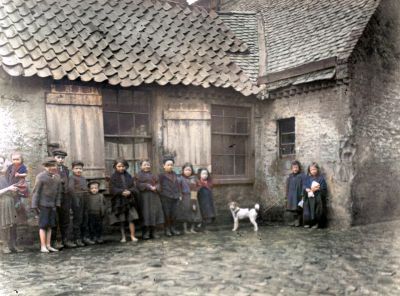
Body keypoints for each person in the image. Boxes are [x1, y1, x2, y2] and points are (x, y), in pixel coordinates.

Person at [31, 158, 61, 253]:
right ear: (45, 167)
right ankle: (43, 246)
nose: (52, 168)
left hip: (52, 205)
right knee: (43, 225)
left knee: (50, 226)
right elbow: (36, 192)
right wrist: (35, 206)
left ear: (56, 166)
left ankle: (48, 245)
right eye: (49, 166)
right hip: (43, 205)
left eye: (53, 165)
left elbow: (58, 192)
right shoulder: (40, 177)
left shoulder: (57, 177)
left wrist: (57, 204)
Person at [110, 158, 139, 243]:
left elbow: (134, 187)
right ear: (115, 167)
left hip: (129, 201)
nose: (121, 168)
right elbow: (112, 189)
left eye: (123, 166)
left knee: (131, 219)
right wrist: (121, 192)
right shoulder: (113, 177)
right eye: (119, 166)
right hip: (119, 201)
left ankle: (132, 235)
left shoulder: (129, 176)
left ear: (126, 167)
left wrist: (130, 191)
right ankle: (123, 237)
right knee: (122, 220)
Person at [51, 149, 76, 248]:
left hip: (65, 197)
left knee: (65, 218)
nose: (60, 160)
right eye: (58, 158)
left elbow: (70, 182)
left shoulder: (66, 170)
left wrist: (69, 191)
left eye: (62, 158)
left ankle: (66, 240)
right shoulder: (51, 169)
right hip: (54, 197)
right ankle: (54, 241)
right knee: (54, 219)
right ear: (54, 158)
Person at [135, 160, 164, 240]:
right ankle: (145, 232)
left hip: (154, 196)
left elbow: (158, 184)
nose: (146, 166)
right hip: (144, 197)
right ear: (141, 166)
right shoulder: (138, 175)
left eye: (148, 165)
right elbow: (137, 184)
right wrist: (147, 186)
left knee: (154, 213)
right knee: (146, 214)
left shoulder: (153, 175)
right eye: (144, 165)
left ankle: (154, 231)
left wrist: (156, 187)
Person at [0, 155, 23, 254]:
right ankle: (4, 245)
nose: (0, 165)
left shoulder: (6, 175)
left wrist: (16, 189)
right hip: (2, 203)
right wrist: (8, 188)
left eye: (1, 163)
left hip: (10, 202)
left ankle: (13, 245)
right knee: (4, 224)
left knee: (13, 224)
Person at [69, 160, 93, 247]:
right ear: (72, 169)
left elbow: (85, 189)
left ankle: (85, 237)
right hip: (77, 200)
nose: (78, 170)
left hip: (85, 199)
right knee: (78, 220)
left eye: (80, 168)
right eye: (76, 168)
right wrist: (75, 200)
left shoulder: (83, 178)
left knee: (85, 218)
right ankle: (77, 239)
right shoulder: (72, 178)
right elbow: (71, 190)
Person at [159, 157, 181, 237]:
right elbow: (159, 186)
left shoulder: (176, 175)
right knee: (167, 214)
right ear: (164, 166)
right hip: (165, 197)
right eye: (168, 165)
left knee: (174, 214)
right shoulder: (161, 175)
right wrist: (162, 194)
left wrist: (179, 194)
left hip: (175, 197)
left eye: (171, 165)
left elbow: (178, 186)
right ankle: (167, 229)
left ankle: (173, 228)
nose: (170, 166)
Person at [177, 163, 202, 234]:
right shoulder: (180, 178)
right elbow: (179, 188)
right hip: (184, 197)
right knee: (185, 212)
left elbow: (199, 185)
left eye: (189, 170)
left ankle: (192, 228)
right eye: (186, 170)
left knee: (194, 211)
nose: (188, 171)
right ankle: (185, 229)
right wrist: (180, 195)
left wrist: (195, 190)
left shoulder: (194, 178)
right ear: (183, 170)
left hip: (193, 196)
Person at [303, 162, 328, 228]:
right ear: (309, 171)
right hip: (309, 198)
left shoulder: (321, 178)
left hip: (317, 198)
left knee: (317, 210)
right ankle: (309, 222)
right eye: (311, 170)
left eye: (314, 169)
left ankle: (317, 223)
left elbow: (324, 189)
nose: (313, 171)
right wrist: (306, 189)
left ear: (317, 169)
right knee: (308, 210)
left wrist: (317, 189)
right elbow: (304, 185)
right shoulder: (307, 178)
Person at [286, 160, 305, 227]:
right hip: (291, 195)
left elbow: (304, 185)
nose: (295, 169)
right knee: (292, 209)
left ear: (299, 168)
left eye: (296, 167)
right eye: (294, 167)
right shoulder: (290, 176)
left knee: (298, 208)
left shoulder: (302, 176)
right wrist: (287, 195)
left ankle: (298, 221)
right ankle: (294, 221)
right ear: (292, 169)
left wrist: (302, 194)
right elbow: (287, 185)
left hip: (298, 195)